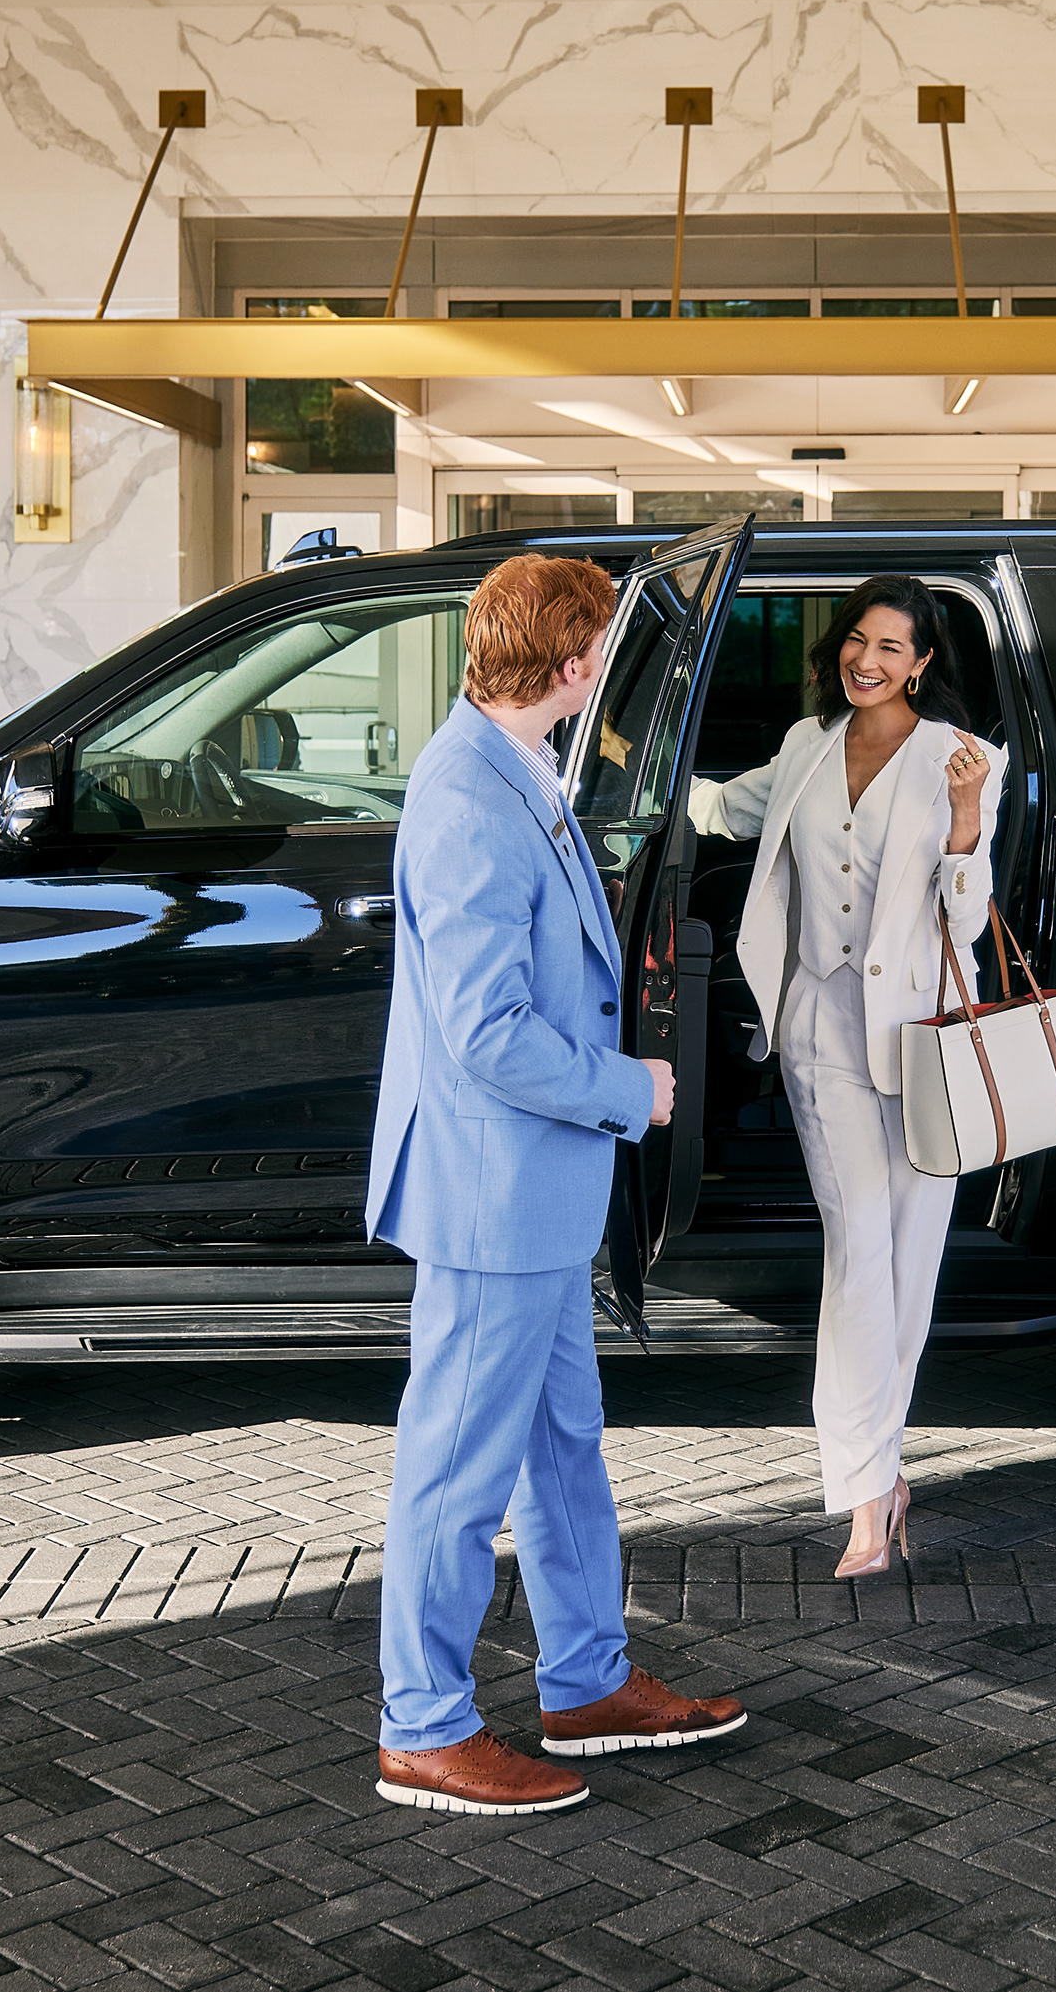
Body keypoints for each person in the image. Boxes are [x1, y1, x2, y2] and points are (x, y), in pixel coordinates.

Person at [365, 550, 749, 1817]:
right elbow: (488, 1031)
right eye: (605, 652)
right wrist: (627, 1087)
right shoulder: (470, 797)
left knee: (559, 1443)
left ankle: (585, 1679)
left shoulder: (510, 763)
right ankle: (424, 1727)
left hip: (530, 1193)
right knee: (456, 1469)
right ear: (577, 663)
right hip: (495, 1193)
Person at [687, 575, 1000, 1578]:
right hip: (820, 1027)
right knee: (860, 1252)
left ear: (923, 663)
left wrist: (964, 817)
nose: (867, 660)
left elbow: (966, 919)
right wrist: (620, 757)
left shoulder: (964, 759)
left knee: (910, 1260)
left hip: (919, 1038)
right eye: (858, 640)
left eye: (891, 647)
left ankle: (883, 1469)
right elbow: (717, 809)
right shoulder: (804, 745)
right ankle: (866, 1493)